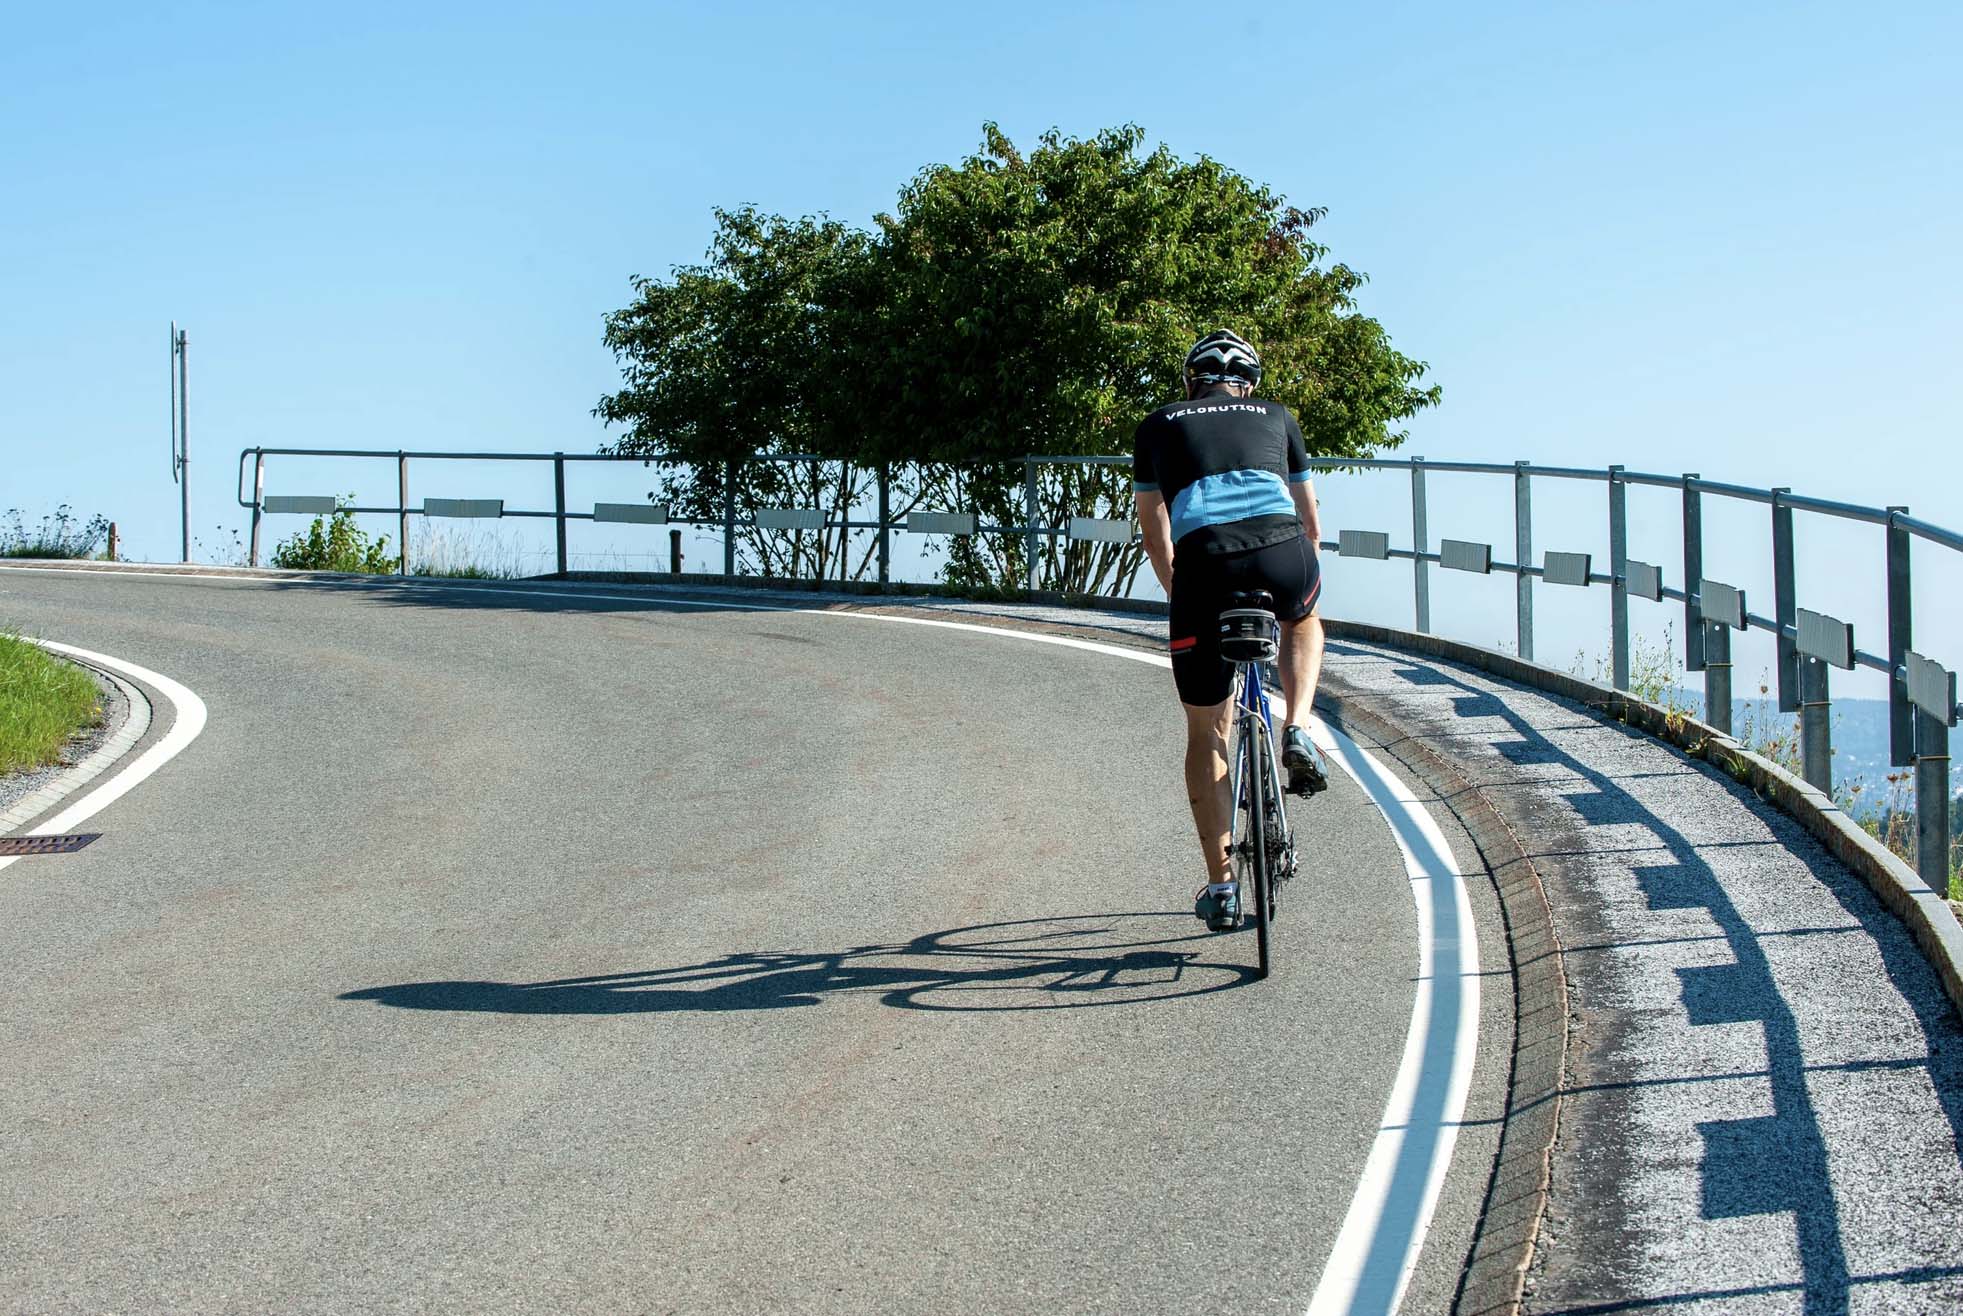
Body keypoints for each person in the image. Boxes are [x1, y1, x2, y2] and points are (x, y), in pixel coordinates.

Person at [1132, 329, 1330, 931]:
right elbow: (1310, 524)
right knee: (1304, 620)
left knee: (1205, 731)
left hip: (1205, 568)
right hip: (1282, 553)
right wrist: (1294, 581)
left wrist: (1184, 596)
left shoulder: (1158, 424)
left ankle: (1221, 887)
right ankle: (1297, 727)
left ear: (1191, 382)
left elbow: (1154, 534)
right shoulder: (1277, 416)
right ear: (1249, 383)